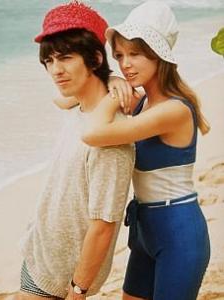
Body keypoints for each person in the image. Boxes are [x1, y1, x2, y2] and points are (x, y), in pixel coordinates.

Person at [82, 1, 211, 300]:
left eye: (135, 54)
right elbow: (66, 100)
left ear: (158, 56)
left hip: (179, 234)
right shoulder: (143, 102)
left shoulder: (173, 110)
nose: (125, 64)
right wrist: (113, 80)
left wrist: (114, 97)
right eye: (119, 56)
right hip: (144, 230)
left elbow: (93, 133)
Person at [14, 2, 134, 299]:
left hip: (62, 274)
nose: (56, 70)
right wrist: (110, 78)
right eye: (49, 61)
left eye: (65, 58)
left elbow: (104, 224)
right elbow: (62, 99)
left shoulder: (109, 139)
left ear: (94, 57)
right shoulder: (79, 108)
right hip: (39, 252)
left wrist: (78, 289)